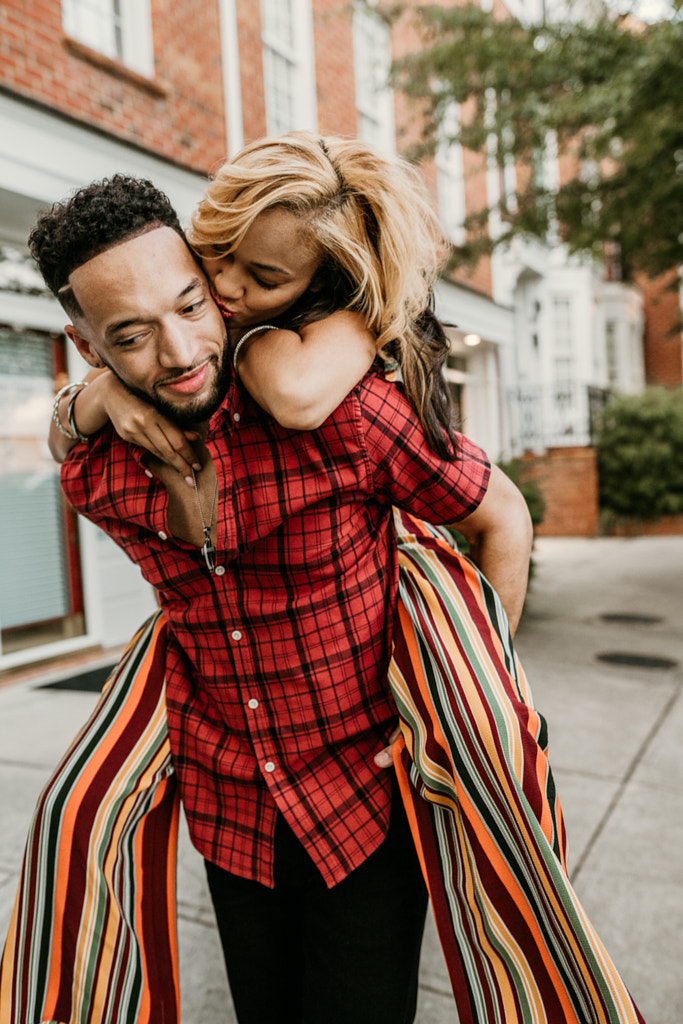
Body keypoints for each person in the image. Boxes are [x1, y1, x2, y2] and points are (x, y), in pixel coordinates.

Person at [1, 136, 645, 1024]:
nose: (183, 348)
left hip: (366, 800)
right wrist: (88, 404)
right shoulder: (100, 477)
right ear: (85, 343)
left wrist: (471, 698)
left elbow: (500, 514)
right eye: (130, 337)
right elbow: (79, 441)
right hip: (227, 806)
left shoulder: (343, 415)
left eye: (192, 303)